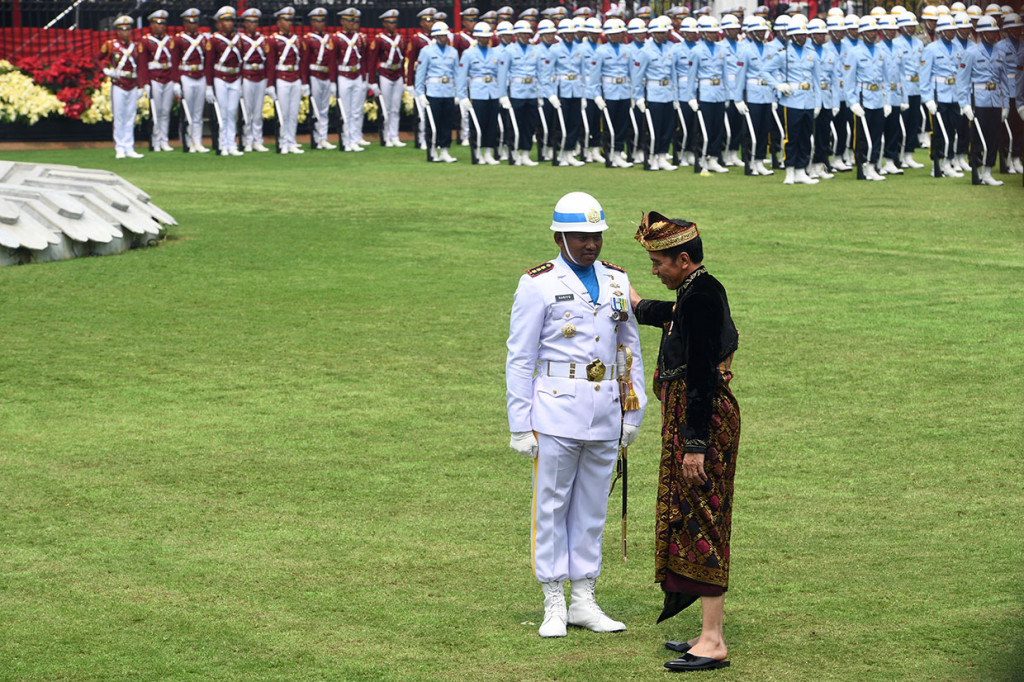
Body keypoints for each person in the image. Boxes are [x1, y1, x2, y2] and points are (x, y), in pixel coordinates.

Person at [506, 191, 646, 639]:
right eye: (582, 237)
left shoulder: (617, 279)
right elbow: (520, 357)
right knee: (551, 507)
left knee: (591, 508)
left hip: (605, 409)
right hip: (555, 409)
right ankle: (553, 600)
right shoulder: (538, 283)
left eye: (597, 236)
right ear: (559, 237)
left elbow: (629, 349)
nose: (591, 244)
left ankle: (584, 597)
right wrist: (519, 423)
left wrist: (633, 411)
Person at [628, 211, 739, 674]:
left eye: (659, 263)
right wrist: (635, 304)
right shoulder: (695, 292)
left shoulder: (701, 297)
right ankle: (706, 632)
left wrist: (695, 445)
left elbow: (700, 375)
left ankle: (713, 640)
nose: (655, 270)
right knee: (692, 517)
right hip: (695, 420)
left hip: (701, 421)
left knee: (704, 520)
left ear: (684, 260)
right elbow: (672, 316)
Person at [957, 14, 1011, 185]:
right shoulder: (971, 53)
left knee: (994, 137)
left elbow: (1004, 81)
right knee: (977, 138)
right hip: (978, 101)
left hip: (995, 100)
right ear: (982, 33)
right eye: (990, 32)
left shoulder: (1000, 52)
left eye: (995, 31)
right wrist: (964, 104)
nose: (994, 35)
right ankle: (976, 169)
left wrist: (1006, 105)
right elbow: (962, 80)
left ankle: (988, 172)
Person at [99, 15, 146, 159]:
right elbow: (97, 58)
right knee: (119, 117)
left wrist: (141, 86)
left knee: (130, 116)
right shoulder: (111, 45)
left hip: (132, 84)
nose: (126, 32)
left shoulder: (135, 46)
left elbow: (141, 67)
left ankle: (129, 147)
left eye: (128, 30)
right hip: (119, 84)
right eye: (123, 30)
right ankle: (119, 147)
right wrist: (105, 69)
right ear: (118, 32)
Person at [456, 21, 503, 164]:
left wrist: (502, 94)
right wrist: (462, 96)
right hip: (477, 92)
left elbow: (500, 75)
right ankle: (477, 152)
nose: (485, 39)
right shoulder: (469, 53)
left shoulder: (495, 52)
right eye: (482, 37)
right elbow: (461, 76)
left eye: (487, 37)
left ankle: (488, 152)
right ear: (477, 37)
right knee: (478, 124)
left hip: (493, 91)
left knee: (491, 124)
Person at [415, 21, 460, 162]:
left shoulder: (453, 52)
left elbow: (457, 74)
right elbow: (420, 74)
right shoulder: (427, 51)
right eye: (441, 35)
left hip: (448, 91)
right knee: (433, 123)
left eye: (445, 35)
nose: (443, 38)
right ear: (435, 36)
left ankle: (445, 150)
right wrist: (420, 93)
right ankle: (432, 149)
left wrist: (458, 93)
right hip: (433, 91)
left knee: (447, 122)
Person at [266, 6, 307, 154]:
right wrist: (270, 84)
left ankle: (291, 141)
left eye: (290, 20)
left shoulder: (297, 40)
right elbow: (270, 64)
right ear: (279, 22)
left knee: (293, 112)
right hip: (282, 77)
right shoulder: (273, 40)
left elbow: (302, 62)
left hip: (295, 77)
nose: (289, 22)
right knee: (283, 112)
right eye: (285, 19)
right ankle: (283, 141)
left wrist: (304, 81)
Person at [207, 5, 245, 156]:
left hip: (235, 77)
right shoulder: (214, 40)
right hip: (221, 77)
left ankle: (232, 143)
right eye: (226, 21)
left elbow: (241, 61)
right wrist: (208, 85)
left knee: (232, 112)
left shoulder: (238, 39)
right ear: (220, 23)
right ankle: (222, 143)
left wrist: (241, 81)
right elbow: (209, 63)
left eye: (231, 20)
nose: (229, 23)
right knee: (222, 112)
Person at [369, 10, 407, 147]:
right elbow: (372, 61)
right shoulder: (379, 39)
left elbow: (402, 60)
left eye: (394, 22)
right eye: (390, 22)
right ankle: (385, 136)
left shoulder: (400, 39)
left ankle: (394, 135)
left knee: (396, 108)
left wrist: (404, 79)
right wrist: (372, 82)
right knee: (386, 108)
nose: (393, 25)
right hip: (385, 74)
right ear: (384, 23)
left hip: (397, 74)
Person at [174, 8, 210, 153]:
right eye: (190, 22)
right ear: (185, 23)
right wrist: (176, 82)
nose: (193, 25)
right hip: (186, 75)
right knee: (187, 111)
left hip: (200, 75)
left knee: (198, 112)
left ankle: (197, 141)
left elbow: (207, 60)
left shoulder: (203, 39)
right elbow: (175, 61)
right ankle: (187, 141)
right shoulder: (179, 39)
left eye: (195, 22)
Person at [335, 8, 370, 152]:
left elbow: (364, 59)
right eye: (349, 20)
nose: (352, 23)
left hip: (357, 75)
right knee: (346, 111)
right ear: (342, 21)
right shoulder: (336, 38)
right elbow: (332, 61)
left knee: (356, 110)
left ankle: (354, 139)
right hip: (343, 75)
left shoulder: (360, 38)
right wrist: (333, 81)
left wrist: (365, 77)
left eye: (354, 20)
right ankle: (345, 139)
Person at [139, 10, 175, 152]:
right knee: (156, 111)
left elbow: (174, 61)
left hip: (168, 78)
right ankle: (155, 139)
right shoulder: (146, 41)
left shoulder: (170, 40)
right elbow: (142, 64)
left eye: (162, 24)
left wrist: (175, 80)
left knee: (166, 111)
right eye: (158, 23)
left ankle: (164, 140)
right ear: (152, 25)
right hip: (155, 78)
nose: (160, 26)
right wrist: (145, 83)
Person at [303, 7, 337, 150]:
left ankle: (323, 137)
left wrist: (333, 80)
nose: (320, 23)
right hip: (315, 75)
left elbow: (332, 61)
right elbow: (304, 61)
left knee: (324, 109)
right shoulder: (308, 39)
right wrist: (304, 81)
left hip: (326, 75)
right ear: (312, 22)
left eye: (322, 20)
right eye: (317, 20)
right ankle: (316, 138)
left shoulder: (329, 38)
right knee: (316, 109)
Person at [238, 8, 270, 152]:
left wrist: (268, 81)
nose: (253, 24)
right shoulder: (241, 40)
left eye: (255, 22)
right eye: (250, 22)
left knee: (258, 111)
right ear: (245, 23)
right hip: (247, 76)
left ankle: (258, 139)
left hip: (260, 76)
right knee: (247, 110)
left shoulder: (263, 40)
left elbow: (268, 61)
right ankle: (247, 140)